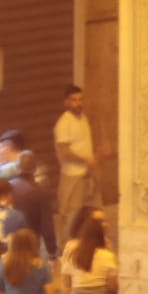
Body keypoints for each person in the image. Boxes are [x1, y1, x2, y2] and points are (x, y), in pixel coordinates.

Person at [54, 84, 99, 246]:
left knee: (86, 212)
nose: (78, 103)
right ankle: (64, 248)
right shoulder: (64, 123)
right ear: (66, 102)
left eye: (80, 99)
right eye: (74, 100)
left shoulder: (83, 118)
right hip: (72, 175)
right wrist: (86, 160)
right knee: (70, 214)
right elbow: (64, 152)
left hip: (86, 174)